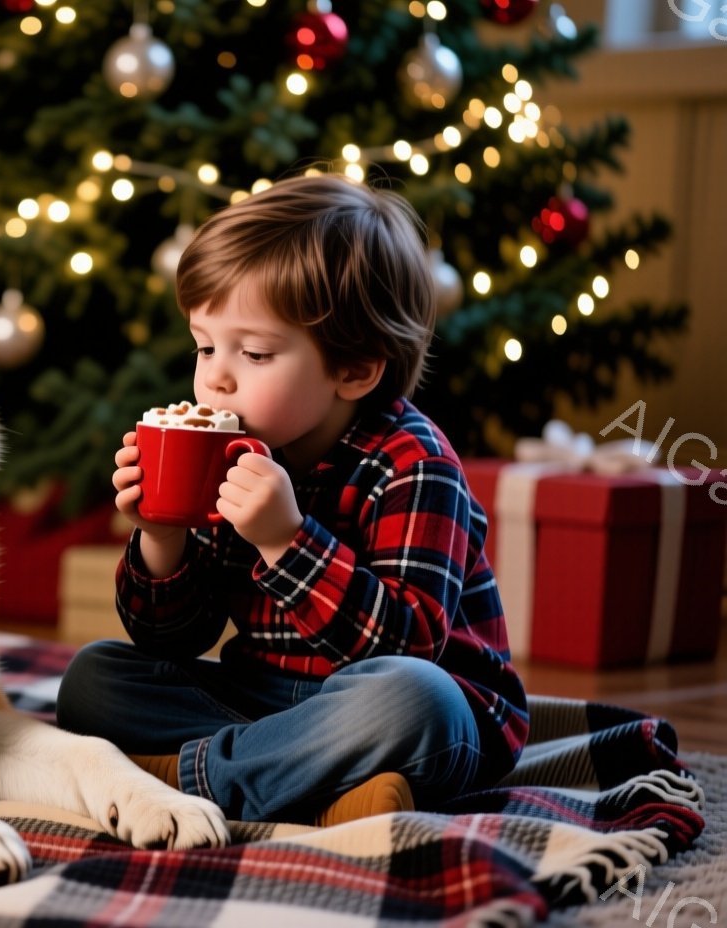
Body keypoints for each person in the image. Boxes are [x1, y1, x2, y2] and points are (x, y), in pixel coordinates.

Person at [56, 174, 528, 826]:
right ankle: (320, 786)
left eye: (254, 352)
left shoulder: (417, 467)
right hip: (265, 700)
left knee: (415, 701)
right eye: (204, 345)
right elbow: (178, 640)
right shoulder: (237, 450)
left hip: (404, 706)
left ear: (354, 370)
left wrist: (286, 539)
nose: (215, 376)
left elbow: (407, 646)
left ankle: (183, 777)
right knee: (95, 679)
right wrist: (160, 538)